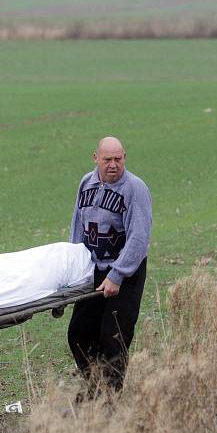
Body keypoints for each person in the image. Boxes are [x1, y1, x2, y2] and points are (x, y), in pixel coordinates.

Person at [68, 136, 152, 396]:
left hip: (126, 272)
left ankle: (110, 400)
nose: (113, 165)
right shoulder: (87, 183)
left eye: (118, 159)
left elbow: (139, 238)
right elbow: (77, 228)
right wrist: (73, 269)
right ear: (96, 158)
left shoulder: (135, 189)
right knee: (79, 333)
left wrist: (117, 275)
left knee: (113, 337)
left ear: (124, 157)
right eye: (107, 160)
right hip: (93, 270)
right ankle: (93, 386)